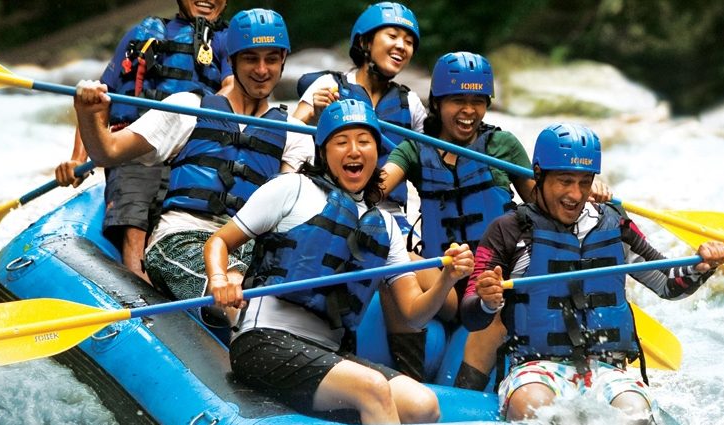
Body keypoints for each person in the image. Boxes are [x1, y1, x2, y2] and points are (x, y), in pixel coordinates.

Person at [203, 99, 475, 423]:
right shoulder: (292, 188)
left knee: (422, 404)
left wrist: (446, 279)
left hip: (329, 353)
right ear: (323, 151)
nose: (354, 151)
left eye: (364, 141)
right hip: (263, 340)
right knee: (373, 388)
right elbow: (219, 241)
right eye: (341, 142)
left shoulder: (386, 226)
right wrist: (219, 278)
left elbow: (414, 315)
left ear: (376, 151)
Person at [460, 123, 724, 422]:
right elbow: (471, 313)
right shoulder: (508, 229)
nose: (575, 194)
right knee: (534, 407)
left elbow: (668, 283)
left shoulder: (615, 224)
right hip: (535, 368)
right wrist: (487, 301)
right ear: (539, 173)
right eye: (565, 181)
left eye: (585, 182)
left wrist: (702, 266)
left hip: (607, 369)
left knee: (636, 414)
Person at [69, 8, 311, 325]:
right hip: (183, 238)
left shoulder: (295, 133)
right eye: (251, 59)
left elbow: (292, 209)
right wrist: (89, 113)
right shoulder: (188, 107)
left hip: (248, 246)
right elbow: (108, 152)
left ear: (283, 61)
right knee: (239, 289)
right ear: (233, 60)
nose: (262, 70)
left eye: (272, 59)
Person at [373, 51, 534, 382]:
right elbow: (377, 186)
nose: (469, 111)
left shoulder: (502, 145)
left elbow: (545, 203)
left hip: (495, 281)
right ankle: (410, 380)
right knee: (395, 265)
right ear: (437, 102)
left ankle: (467, 389)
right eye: (458, 100)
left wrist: (583, 188)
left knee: (498, 305)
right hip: (445, 283)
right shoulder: (415, 149)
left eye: (478, 101)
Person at [54, 0, 234, 282]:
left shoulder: (227, 41)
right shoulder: (141, 34)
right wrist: (78, 160)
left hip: (193, 152)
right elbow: (98, 102)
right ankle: (137, 282)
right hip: (136, 147)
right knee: (136, 224)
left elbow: (232, 88)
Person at [292, 1, 425, 233]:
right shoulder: (329, 85)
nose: (401, 46)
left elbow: (430, 159)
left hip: (388, 212)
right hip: (329, 202)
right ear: (365, 42)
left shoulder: (410, 103)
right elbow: (289, 134)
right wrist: (315, 116)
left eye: (409, 42)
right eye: (392, 36)